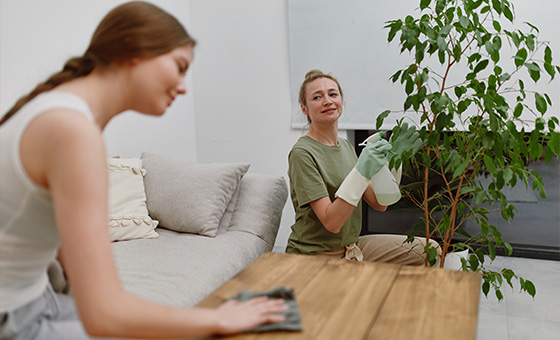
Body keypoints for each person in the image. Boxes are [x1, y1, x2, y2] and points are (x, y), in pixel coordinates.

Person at [0, 2, 288, 339]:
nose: (183, 86)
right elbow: (103, 316)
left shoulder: (60, 110)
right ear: (131, 48)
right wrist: (216, 319)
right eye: (180, 67)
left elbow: (67, 253)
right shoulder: (72, 130)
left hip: (35, 298)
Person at [286, 70, 439, 264]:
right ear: (304, 109)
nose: (327, 101)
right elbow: (332, 222)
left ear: (341, 100)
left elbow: (380, 203)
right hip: (315, 255)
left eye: (333, 94)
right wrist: (362, 171)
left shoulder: (346, 148)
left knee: (429, 251)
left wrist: (393, 163)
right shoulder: (302, 153)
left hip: (351, 247)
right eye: (317, 97)